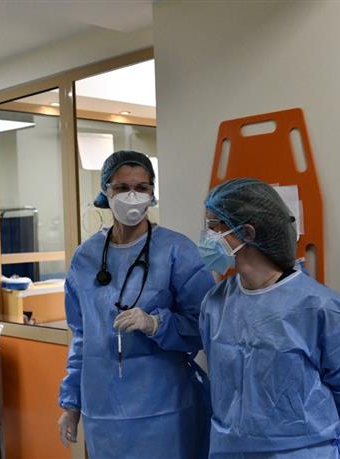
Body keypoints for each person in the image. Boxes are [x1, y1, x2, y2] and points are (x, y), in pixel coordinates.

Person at [198, 178, 340, 459]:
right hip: (229, 449)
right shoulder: (215, 304)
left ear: (247, 232)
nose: (207, 237)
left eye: (214, 226)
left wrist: (309, 435)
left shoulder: (323, 309)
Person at [58, 150, 215, 458]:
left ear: (152, 194)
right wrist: (71, 403)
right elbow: (81, 336)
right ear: (106, 191)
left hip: (164, 408)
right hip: (102, 409)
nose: (132, 196)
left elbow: (204, 326)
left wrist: (156, 324)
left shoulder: (176, 250)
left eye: (141, 188)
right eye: (121, 188)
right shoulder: (85, 257)